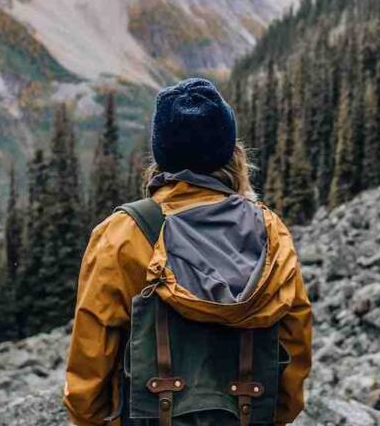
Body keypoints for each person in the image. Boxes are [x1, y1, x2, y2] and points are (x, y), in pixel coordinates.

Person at [64, 77, 312, 426]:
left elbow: (91, 357)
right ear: (232, 153)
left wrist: (91, 419)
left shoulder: (122, 234)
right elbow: (294, 340)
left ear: (161, 154)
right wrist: (275, 414)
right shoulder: (271, 232)